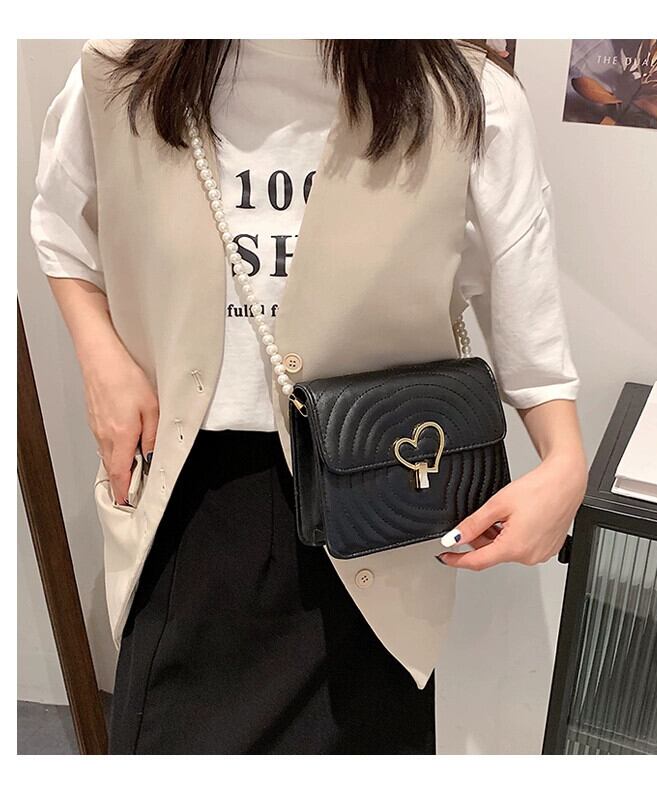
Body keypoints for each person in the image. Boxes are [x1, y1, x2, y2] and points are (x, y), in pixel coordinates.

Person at [30, 39, 587, 754]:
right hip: (185, 513)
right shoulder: (121, 71)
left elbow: (528, 319)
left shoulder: (466, 96)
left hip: (375, 520)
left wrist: (564, 464)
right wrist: (100, 357)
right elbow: (61, 228)